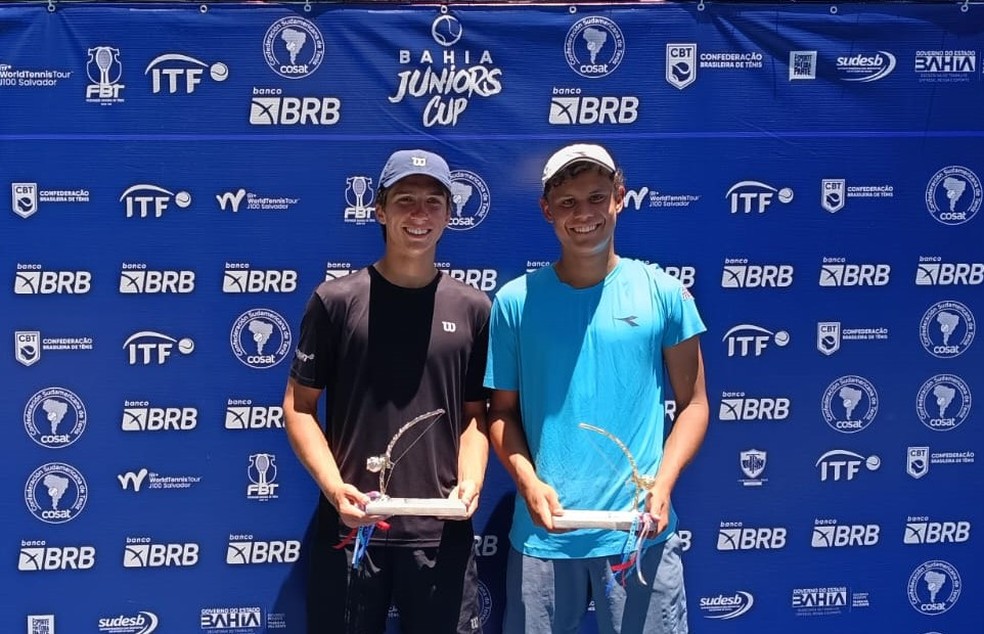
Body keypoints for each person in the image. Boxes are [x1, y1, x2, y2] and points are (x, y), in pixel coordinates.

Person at [484, 143, 709, 633]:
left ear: (619, 199)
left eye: (596, 197)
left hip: (639, 537)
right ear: (547, 210)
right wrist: (527, 482)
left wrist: (663, 484)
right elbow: (499, 413)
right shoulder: (514, 303)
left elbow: (693, 405)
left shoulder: (663, 293)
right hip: (545, 539)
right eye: (567, 202)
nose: (583, 214)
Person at [283, 149, 492, 633]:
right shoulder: (336, 301)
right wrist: (337, 490)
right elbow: (299, 408)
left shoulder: (474, 307)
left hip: (441, 532)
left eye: (433, 202)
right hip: (353, 529)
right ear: (378, 209)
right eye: (405, 200)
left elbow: (476, 417)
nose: (420, 215)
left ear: (449, 213)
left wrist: (472, 479)